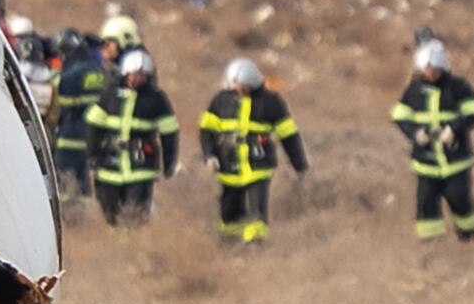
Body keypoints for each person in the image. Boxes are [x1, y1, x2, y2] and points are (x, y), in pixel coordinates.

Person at [201, 57, 307, 244]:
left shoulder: (271, 102)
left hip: (258, 166)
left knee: (257, 212)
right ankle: (230, 247)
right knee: (229, 213)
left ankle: (255, 247)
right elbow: (206, 131)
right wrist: (209, 155)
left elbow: (289, 136)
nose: (237, 90)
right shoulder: (221, 100)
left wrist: (299, 164)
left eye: (240, 86)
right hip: (228, 167)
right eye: (234, 85)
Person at [390, 38, 474, 243]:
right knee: (426, 205)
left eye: (434, 70)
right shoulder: (413, 91)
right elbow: (399, 115)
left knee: (459, 198)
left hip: (456, 161)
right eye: (426, 70)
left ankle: (468, 238)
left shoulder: (458, 87)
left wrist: (454, 130)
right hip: (426, 163)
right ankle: (431, 249)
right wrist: (415, 134)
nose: (430, 74)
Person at [86, 48, 179, 226]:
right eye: (133, 74)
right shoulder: (110, 95)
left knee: (135, 211)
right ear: (125, 73)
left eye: (141, 75)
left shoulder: (156, 99)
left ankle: (131, 242)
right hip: (109, 165)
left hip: (141, 166)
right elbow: (94, 127)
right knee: (109, 209)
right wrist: (93, 155)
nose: (136, 79)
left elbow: (169, 133)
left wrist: (169, 162)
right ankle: (116, 245)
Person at [47, 31, 109, 202]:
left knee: (64, 179)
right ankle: (84, 211)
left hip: (69, 136)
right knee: (83, 180)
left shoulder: (70, 76)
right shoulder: (96, 71)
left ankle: (69, 215)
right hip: (92, 135)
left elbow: (61, 110)